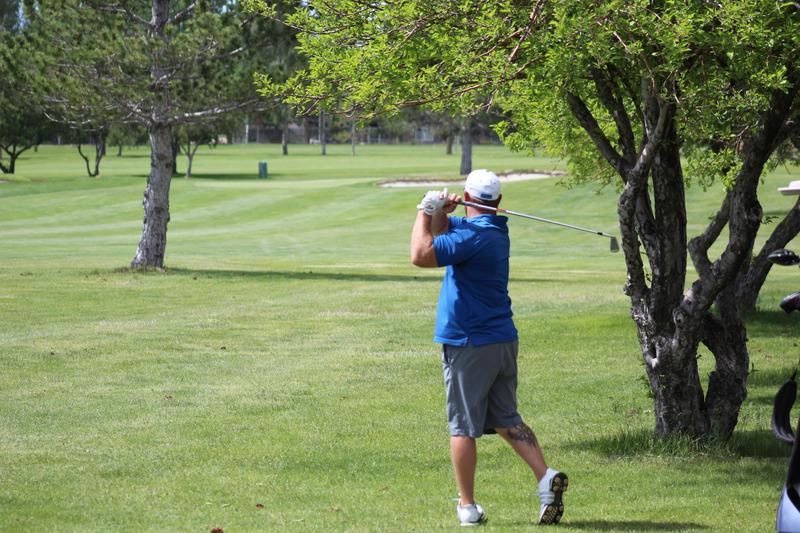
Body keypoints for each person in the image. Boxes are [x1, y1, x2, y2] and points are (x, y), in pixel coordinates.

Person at [410, 169, 568, 526]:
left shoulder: (472, 237)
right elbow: (445, 233)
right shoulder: (493, 230)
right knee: (506, 420)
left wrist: (423, 211)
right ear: (498, 201)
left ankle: (467, 507)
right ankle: (546, 478)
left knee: (462, 427)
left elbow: (421, 254)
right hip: (501, 341)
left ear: (468, 196)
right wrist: (441, 214)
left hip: (470, 344)